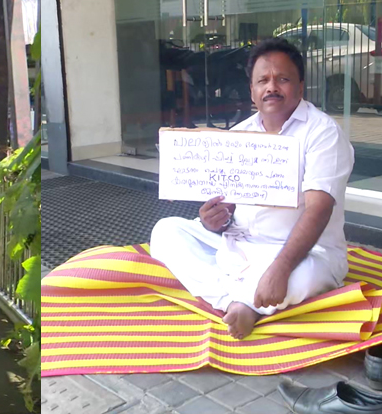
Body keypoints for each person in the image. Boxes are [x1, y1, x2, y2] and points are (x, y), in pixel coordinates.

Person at [150, 37, 355, 340]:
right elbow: (229, 204)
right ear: (252, 92)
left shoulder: (322, 132)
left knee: (306, 277)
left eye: (282, 79)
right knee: (166, 233)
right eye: (263, 81)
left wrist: (281, 268)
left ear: (300, 87)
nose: (272, 87)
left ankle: (243, 296)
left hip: (304, 252)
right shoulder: (240, 134)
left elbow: (319, 208)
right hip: (241, 245)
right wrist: (214, 220)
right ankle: (238, 302)